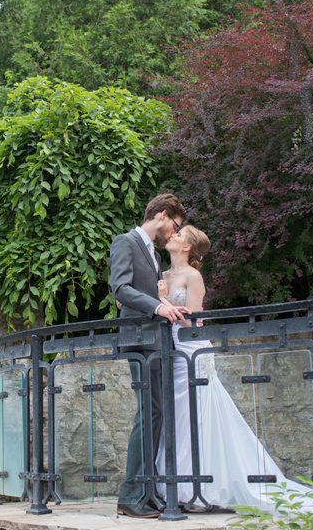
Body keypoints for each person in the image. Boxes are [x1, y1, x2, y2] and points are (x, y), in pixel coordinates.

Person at [153, 225, 310, 513]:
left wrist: (162, 300)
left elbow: (192, 322)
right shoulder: (161, 275)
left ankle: (198, 487)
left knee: (195, 416)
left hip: (191, 349)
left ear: (186, 247)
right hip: (167, 351)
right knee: (174, 417)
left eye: (178, 235)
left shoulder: (192, 276)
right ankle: (174, 484)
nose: (172, 235)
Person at [109, 193, 189, 519]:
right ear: (162, 214)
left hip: (155, 341)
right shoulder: (125, 242)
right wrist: (158, 306)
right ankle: (131, 495)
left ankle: (147, 491)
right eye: (175, 225)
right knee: (149, 414)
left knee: (155, 414)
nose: (174, 233)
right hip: (139, 342)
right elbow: (120, 288)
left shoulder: (153, 253)